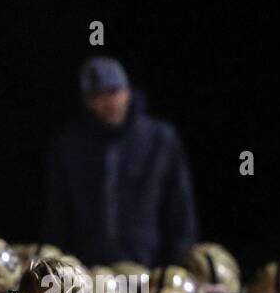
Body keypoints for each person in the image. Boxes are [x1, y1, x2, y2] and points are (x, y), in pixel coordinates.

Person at [44, 57, 197, 267]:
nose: (108, 102)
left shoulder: (160, 139)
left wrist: (180, 263)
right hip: (91, 270)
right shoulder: (70, 145)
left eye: (114, 92)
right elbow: (58, 215)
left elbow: (180, 208)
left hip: (149, 268)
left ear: (128, 92)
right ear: (88, 102)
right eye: (98, 95)